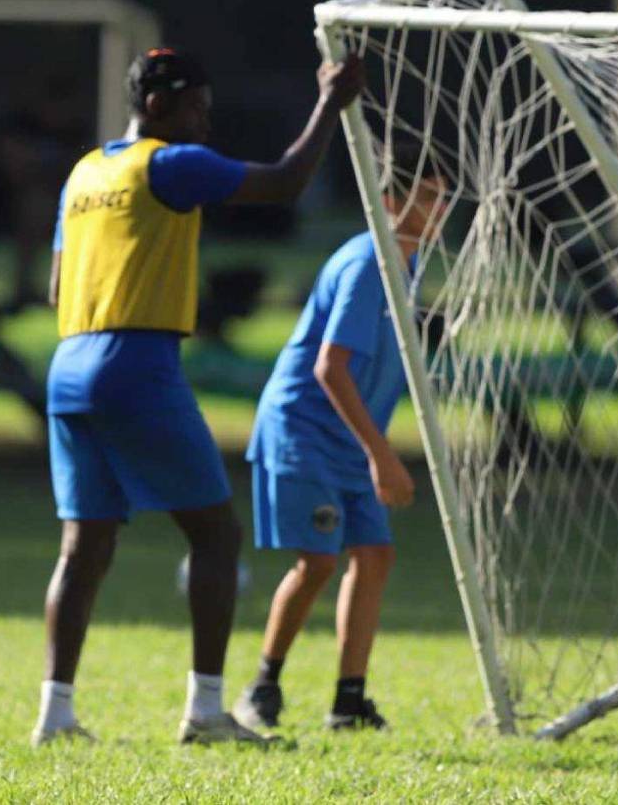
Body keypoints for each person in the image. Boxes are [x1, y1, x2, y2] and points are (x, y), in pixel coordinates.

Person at [33, 47, 365, 746]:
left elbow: (57, 288)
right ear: (157, 106)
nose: (204, 124)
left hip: (68, 366)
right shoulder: (169, 164)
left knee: (83, 547)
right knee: (216, 535)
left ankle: (55, 715)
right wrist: (331, 103)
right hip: (135, 362)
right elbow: (282, 184)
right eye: (196, 109)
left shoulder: (86, 172)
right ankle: (207, 712)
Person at [232, 147, 446, 733]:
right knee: (320, 560)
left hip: (352, 437)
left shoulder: (411, 266)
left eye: (443, 195)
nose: (441, 208)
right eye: (426, 197)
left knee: (375, 556)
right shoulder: (365, 265)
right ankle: (261, 687)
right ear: (388, 203)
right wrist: (383, 456)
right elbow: (330, 369)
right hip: (305, 429)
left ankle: (348, 702)